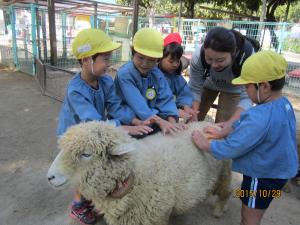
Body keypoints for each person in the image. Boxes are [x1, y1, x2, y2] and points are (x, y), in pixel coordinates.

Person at [57, 28, 153, 225]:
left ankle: (93, 199)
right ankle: (78, 205)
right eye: (105, 59)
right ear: (86, 60)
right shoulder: (75, 90)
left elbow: (116, 107)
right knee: (81, 169)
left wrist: (135, 121)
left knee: (97, 165)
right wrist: (125, 129)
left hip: (97, 133)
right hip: (77, 137)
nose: (109, 64)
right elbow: (92, 120)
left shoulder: (106, 81)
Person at [191, 51, 299, 225]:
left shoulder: (259, 117)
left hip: (262, 176)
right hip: (280, 172)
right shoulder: (284, 104)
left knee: (249, 218)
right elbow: (255, 125)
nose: (244, 90)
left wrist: (206, 145)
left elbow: (232, 147)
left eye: (247, 86)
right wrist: (227, 129)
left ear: (264, 86)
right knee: (257, 200)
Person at [114, 28, 186, 135]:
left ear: (158, 59)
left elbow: (166, 99)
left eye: (151, 60)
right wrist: (160, 122)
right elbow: (138, 105)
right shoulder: (125, 74)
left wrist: (172, 122)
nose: (145, 64)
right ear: (133, 53)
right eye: (140, 58)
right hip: (128, 120)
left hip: (151, 119)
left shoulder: (156, 74)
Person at [188, 27, 256, 127]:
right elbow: (194, 88)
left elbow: (248, 97)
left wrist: (230, 123)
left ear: (234, 53)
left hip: (234, 89)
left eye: (220, 60)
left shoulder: (248, 60)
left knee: (223, 126)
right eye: (209, 59)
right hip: (207, 84)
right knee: (192, 119)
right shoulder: (198, 56)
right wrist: (193, 114)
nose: (214, 65)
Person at [158, 32, 198, 122]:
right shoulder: (154, 76)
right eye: (171, 61)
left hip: (173, 116)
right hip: (157, 117)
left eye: (178, 61)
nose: (175, 65)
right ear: (160, 58)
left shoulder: (177, 77)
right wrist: (174, 111)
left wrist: (186, 106)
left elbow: (184, 93)